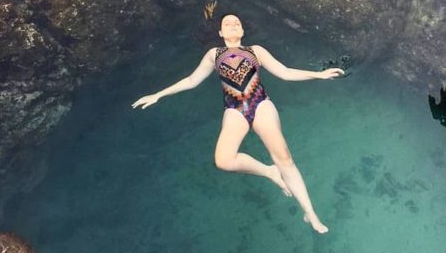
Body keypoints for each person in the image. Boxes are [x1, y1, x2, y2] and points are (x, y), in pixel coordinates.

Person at [132, 12, 344, 233]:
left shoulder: (255, 51)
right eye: (227, 23)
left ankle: (310, 213)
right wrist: (158, 94)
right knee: (223, 160)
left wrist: (318, 75)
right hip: (234, 109)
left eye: (237, 23)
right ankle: (269, 172)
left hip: (260, 103)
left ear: (242, 32)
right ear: (221, 33)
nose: (232, 24)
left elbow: (285, 72)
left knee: (285, 159)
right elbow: (191, 80)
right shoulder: (214, 54)